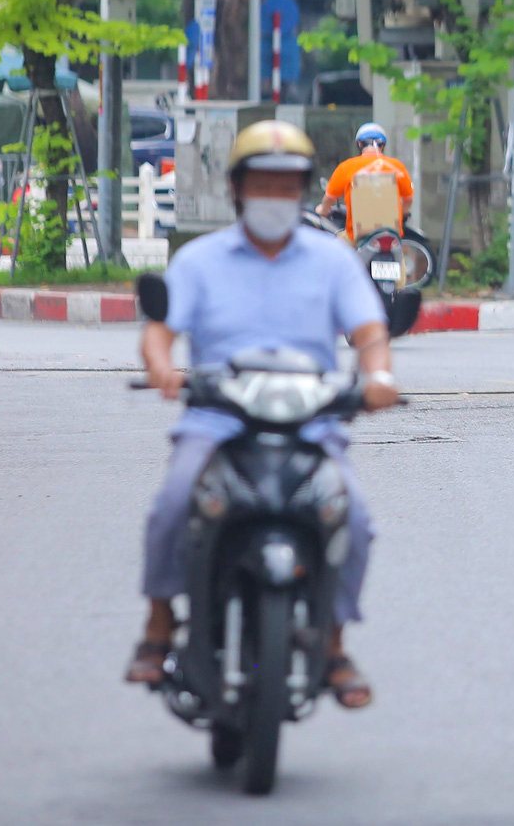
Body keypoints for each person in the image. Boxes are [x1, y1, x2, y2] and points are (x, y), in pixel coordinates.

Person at [125, 120, 401, 705]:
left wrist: (378, 377)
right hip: (218, 421)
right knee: (173, 504)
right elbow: (160, 331)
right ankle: (156, 624)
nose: (273, 197)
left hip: (311, 422)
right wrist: (162, 368)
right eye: (262, 184)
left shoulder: (332, 261)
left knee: (354, 522)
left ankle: (333, 644)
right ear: (237, 189)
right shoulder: (200, 261)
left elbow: (369, 331)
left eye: (286, 185)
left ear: (302, 190)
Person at [318, 123, 413, 227]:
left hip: (356, 233)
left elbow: (329, 198)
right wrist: (401, 213)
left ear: (359, 144)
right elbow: (408, 199)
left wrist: (323, 210)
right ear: (382, 145)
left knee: (337, 241)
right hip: (390, 231)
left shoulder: (346, 167)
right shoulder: (397, 166)